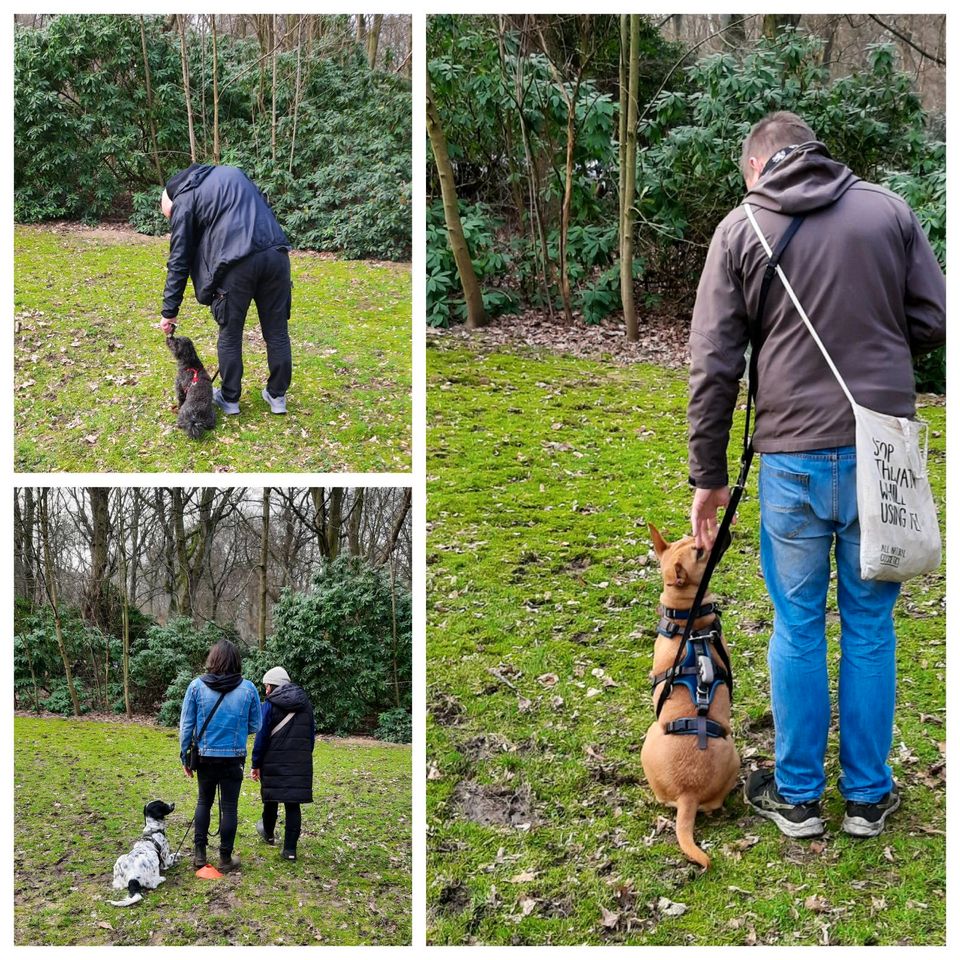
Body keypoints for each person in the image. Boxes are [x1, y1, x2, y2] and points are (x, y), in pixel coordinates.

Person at [687, 112, 945, 840]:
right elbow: (934, 319)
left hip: (793, 458)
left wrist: (708, 475)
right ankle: (867, 798)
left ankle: (797, 797)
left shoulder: (742, 228)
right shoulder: (888, 211)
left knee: (797, 623)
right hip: (881, 453)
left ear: (758, 165)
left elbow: (714, 363)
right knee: (870, 626)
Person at [158, 163, 293, 415]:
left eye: (171, 218)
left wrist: (169, 311)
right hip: (276, 255)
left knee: (230, 334)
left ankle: (230, 399)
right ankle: (277, 396)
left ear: (172, 199)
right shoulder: (231, 173)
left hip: (236, 264)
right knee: (277, 332)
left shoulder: (185, 198)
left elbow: (179, 259)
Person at [179, 639, 262, 872]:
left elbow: (186, 727)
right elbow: (256, 724)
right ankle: (225, 859)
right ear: (236, 661)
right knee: (230, 807)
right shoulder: (248, 689)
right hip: (234, 758)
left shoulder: (195, 686)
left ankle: (199, 855)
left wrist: (185, 757)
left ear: (212, 660)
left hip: (204, 757)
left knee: (203, 801)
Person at [251, 666, 315, 862]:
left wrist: (256, 763)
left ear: (272, 686)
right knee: (292, 805)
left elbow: (261, 737)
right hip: (299, 761)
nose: (266, 690)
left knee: (270, 798)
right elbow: (310, 735)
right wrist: (303, 755)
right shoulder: (306, 704)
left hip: (273, 760)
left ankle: (268, 834)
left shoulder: (269, 705)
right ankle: (290, 850)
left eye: (266, 686)